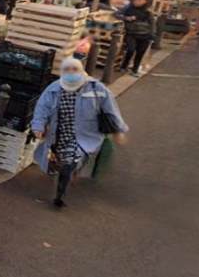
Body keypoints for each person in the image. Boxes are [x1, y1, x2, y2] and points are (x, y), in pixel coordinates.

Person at [31, 58, 128, 208]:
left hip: (86, 134)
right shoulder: (54, 88)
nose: (71, 73)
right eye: (67, 70)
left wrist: (118, 130)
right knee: (63, 159)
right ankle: (66, 171)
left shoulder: (97, 88)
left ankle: (60, 194)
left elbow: (111, 110)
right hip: (60, 133)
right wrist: (38, 126)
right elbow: (42, 108)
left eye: (74, 70)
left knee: (71, 161)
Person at [117, 0, 154, 76]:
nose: (137, 2)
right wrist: (127, 18)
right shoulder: (128, 9)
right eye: (135, 0)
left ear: (144, 1)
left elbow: (152, 24)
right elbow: (116, 14)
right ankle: (124, 66)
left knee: (140, 53)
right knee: (130, 49)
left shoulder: (148, 11)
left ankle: (135, 70)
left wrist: (151, 35)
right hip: (131, 33)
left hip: (145, 35)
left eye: (139, 0)